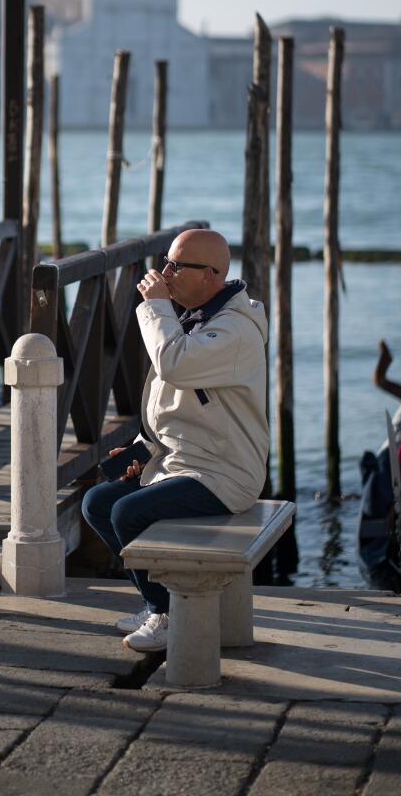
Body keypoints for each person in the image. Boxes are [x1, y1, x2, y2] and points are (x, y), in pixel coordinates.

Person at [82, 228, 269, 653]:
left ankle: (168, 614)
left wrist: (155, 307)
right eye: (164, 264)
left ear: (208, 275)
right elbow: (177, 409)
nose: (163, 273)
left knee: (128, 512)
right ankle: (158, 606)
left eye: (174, 267)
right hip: (182, 462)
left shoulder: (235, 331)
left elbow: (174, 366)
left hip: (225, 472)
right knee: (98, 503)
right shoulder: (192, 317)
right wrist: (143, 450)